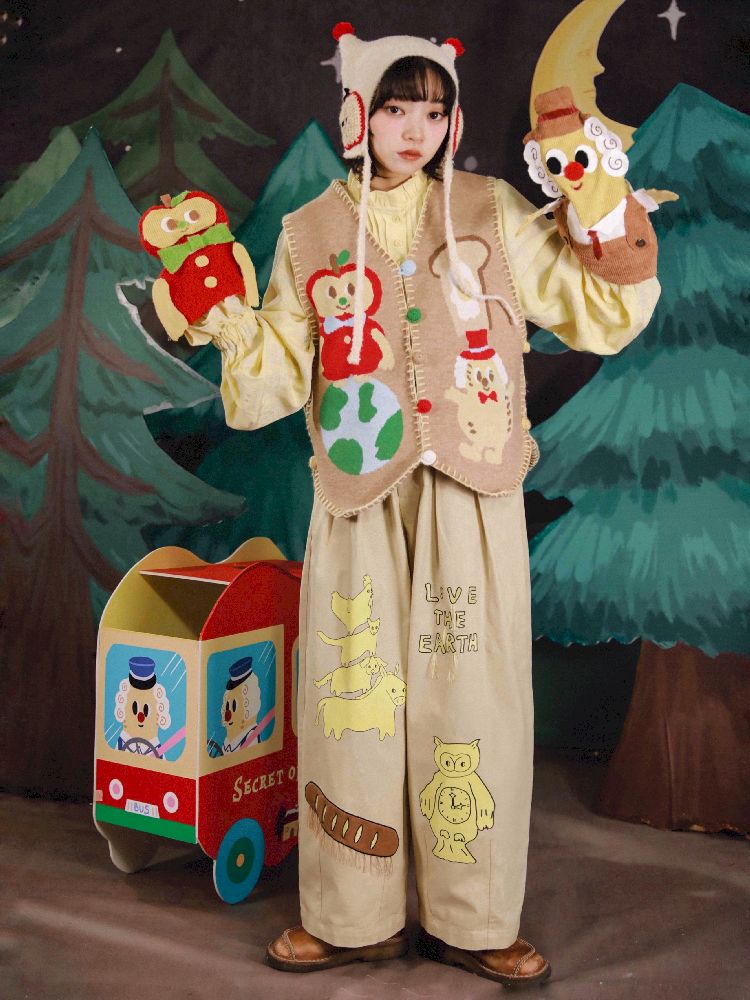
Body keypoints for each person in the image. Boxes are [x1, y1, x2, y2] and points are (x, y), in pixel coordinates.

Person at [179, 23, 662, 990]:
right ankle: (348, 915)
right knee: (351, 697)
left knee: (474, 696)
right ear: (358, 115)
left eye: (433, 111)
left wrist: (605, 222)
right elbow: (272, 380)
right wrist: (227, 317)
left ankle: (474, 920)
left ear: (454, 122)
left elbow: (598, 308)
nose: (415, 129)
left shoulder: (492, 211)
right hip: (359, 498)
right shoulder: (310, 232)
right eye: (395, 108)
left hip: (471, 495)